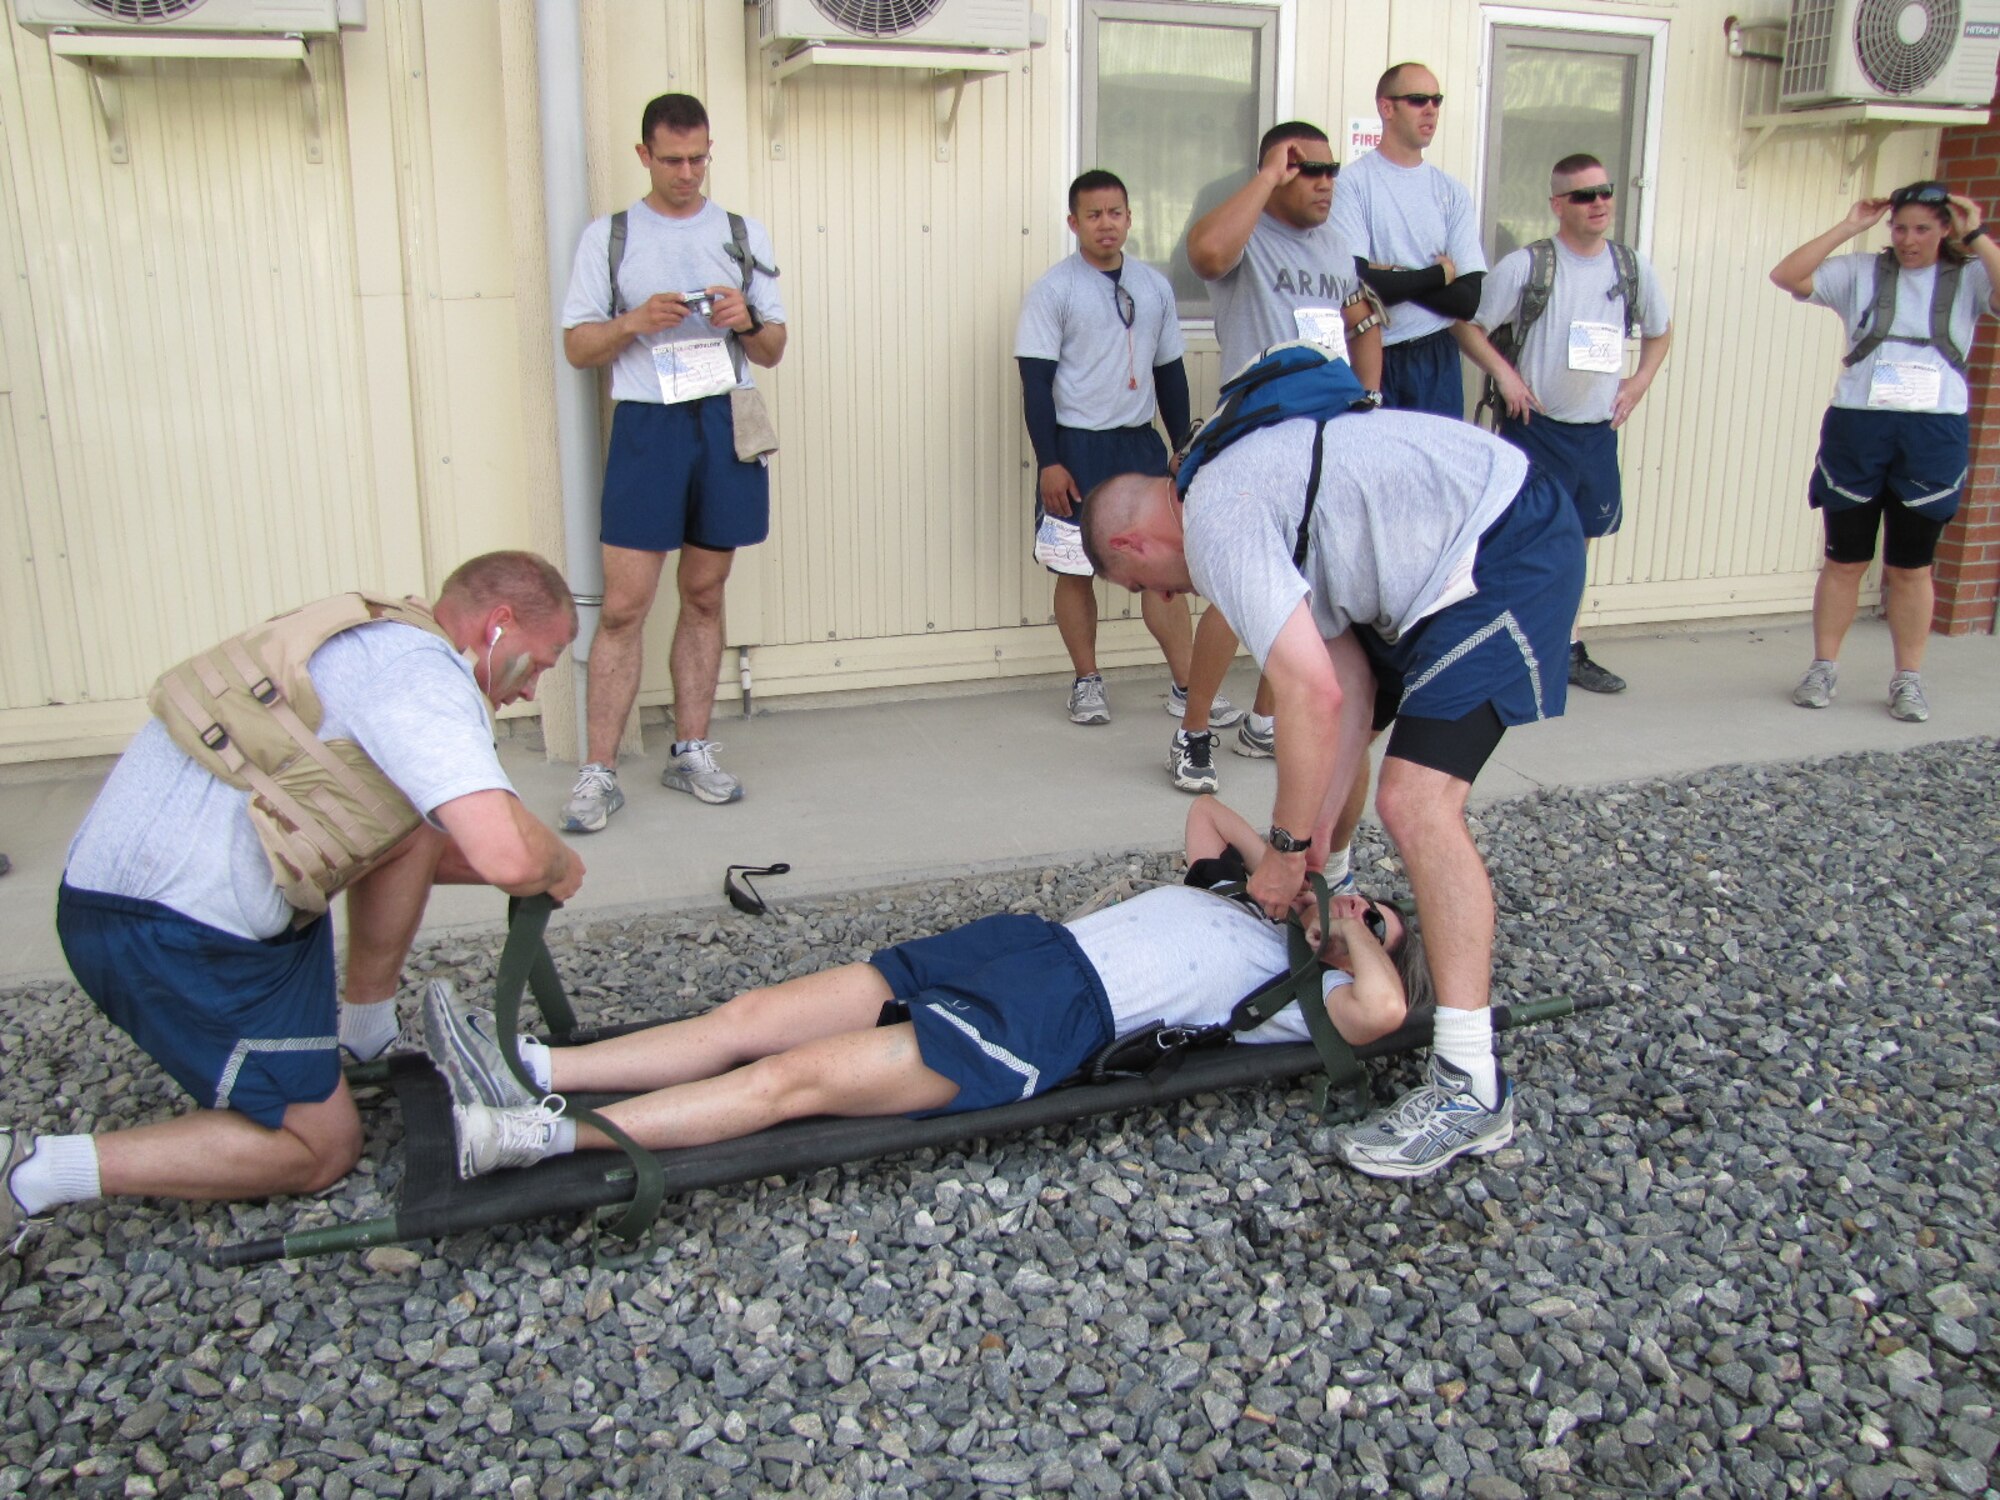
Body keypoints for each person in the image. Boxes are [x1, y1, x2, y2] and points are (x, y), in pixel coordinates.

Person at [1079, 377, 1585, 1178]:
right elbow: (1346, 692)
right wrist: (1314, 849)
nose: (1167, 596)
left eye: (1143, 587)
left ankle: (1470, 1088)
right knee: (1386, 788)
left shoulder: (1219, 520)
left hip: (1503, 543)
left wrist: (1284, 851)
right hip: (1464, 551)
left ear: (1131, 546)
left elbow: (1308, 695)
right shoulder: (1258, 501)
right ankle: (1355, 900)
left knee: (1415, 802)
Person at [1, 553, 586, 1243]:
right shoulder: (420, 676)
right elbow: (508, 855)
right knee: (324, 1148)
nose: (531, 688)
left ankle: (365, 1033)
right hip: (163, 932)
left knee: (424, 819)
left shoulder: (382, 636)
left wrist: (525, 862)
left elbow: (442, 844)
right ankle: (32, 1171)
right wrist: (559, 862)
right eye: (540, 663)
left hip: (179, 896)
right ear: (499, 624)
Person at [425, 797, 1430, 1178]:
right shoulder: (1246, 903)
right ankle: (533, 1066)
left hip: (1057, 1017)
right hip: (1022, 948)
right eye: (1367, 900)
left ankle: (538, 1137)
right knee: (752, 1016)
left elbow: (1386, 1010)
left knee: (789, 1080)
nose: (1360, 909)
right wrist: (1295, 873)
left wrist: (1346, 932)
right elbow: (1207, 814)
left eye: (1377, 922)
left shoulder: (1304, 996)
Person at [557, 92, 788, 828]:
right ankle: (598, 771)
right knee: (625, 605)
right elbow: (577, 346)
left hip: (724, 420)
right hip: (647, 426)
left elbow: (773, 349)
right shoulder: (611, 236)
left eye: (698, 159)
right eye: (672, 160)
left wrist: (743, 320)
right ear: (644, 155)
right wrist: (633, 321)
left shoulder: (742, 234)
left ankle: (691, 750)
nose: (687, 174)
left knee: (706, 594)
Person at [1183, 120, 1385, 798]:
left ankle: (1263, 720)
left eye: (1333, 171)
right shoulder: (1246, 232)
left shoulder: (1335, 243)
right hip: (1258, 436)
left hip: (1324, 440)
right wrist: (1268, 176)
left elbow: (1362, 318)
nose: (1326, 183)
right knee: (1237, 589)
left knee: (1302, 583)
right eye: (1310, 171)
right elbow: (1206, 254)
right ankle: (1193, 730)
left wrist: (1368, 397)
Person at [1015, 169, 1243, 750]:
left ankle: (1187, 685)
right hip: (1076, 447)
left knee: (1164, 568)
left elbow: (1170, 372)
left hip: (1139, 445)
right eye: (1093, 215)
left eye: (1115, 213)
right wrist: (1049, 461)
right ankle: (1087, 681)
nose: (1106, 224)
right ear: (1073, 223)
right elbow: (1035, 383)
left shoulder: (1153, 286)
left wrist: (1182, 448)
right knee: (1075, 567)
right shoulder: (1054, 290)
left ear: (1129, 217)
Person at [1769, 182, 2000, 723]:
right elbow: (1788, 275)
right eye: (1900, 228)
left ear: (1944, 229)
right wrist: (1851, 225)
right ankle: (1823, 666)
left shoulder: (1969, 275)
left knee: (1911, 565)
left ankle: (1908, 677)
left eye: (1922, 229)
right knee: (1844, 558)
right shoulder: (1860, 272)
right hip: (1859, 425)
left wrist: (1978, 235)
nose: (1908, 239)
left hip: (1932, 430)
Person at [1463, 154, 1674, 695]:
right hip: (1536, 429)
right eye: (1584, 195)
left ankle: (1566, 649)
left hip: (1595, 433)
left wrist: (1638, 383)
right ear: (1558, 205)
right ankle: (1506, 650)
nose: (1599, 203)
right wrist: (1506, 377)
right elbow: (1467, 327)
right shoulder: (1527, 267)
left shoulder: (1630, 268)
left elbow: (1660, 330)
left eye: (1605, 191)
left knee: (1578, 545)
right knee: (1522, 543)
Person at [1328, 64, 1486, 416]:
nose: (1431, 109)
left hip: (1437, 357)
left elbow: (1467, 301)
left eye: (1436, 100)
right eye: (1417, 99)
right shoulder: (1352, 186)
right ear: (1387, 107)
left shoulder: (1452, 192)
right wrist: (1439, 274)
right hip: (1377, 354)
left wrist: (1394, 276)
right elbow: (1357, 283)